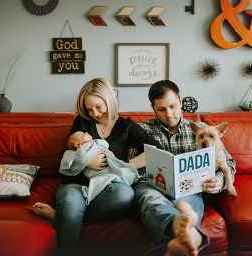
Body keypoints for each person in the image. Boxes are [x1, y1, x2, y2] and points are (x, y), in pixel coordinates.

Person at [31, 78, 162, 256]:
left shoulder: (126, 126)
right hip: (76, 183)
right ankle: (68, 218)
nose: (94, 113)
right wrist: (87, 161)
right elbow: (67, 154)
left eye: (98, 106)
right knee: (71, 203)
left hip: (108, 186)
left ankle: (60, 217)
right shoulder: (82, 123)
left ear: (109, 100)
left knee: (125, 194)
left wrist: (124, 164)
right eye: (89, 109)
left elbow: (155, 150)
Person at [129, 80, 237, 256]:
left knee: (185, 203)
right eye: (162, 109)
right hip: (151, 187)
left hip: (190, 189)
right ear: (153, 108)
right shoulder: (141, 130)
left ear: (180, 101)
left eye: (173, 106)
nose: (169, 114)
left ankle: (177, 244)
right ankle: (187, 238)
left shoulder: (203, 131)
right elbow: (131, 170)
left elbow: (228, 163)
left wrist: (220, 181)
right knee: (151, 199)